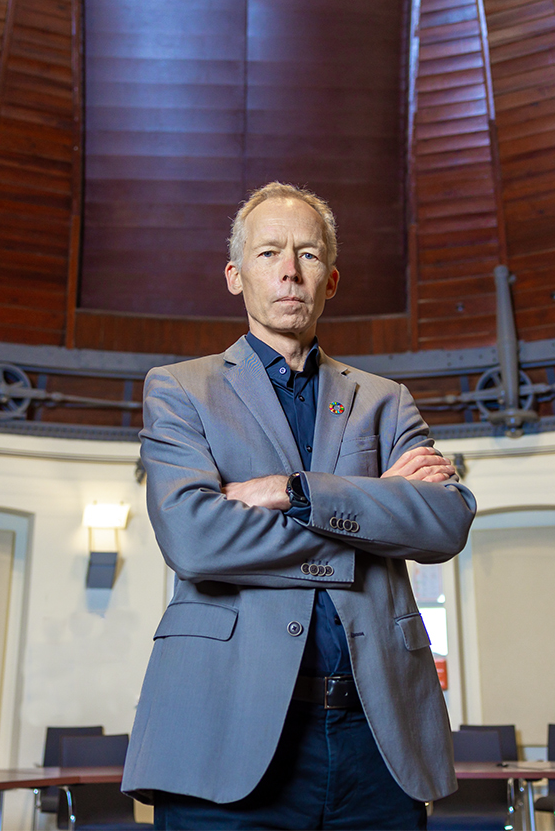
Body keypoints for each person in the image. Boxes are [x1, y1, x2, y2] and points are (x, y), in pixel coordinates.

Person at [121, 182, 477, 829]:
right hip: (221, 732)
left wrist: (293, 491)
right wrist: (372, 515)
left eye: (308, 254)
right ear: (235, 275)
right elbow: (196, 541)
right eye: (269, 253)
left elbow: (447, 522)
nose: (289, 270)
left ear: (331, 279)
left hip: (378, 740)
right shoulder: (179, 390)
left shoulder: (385, 400)